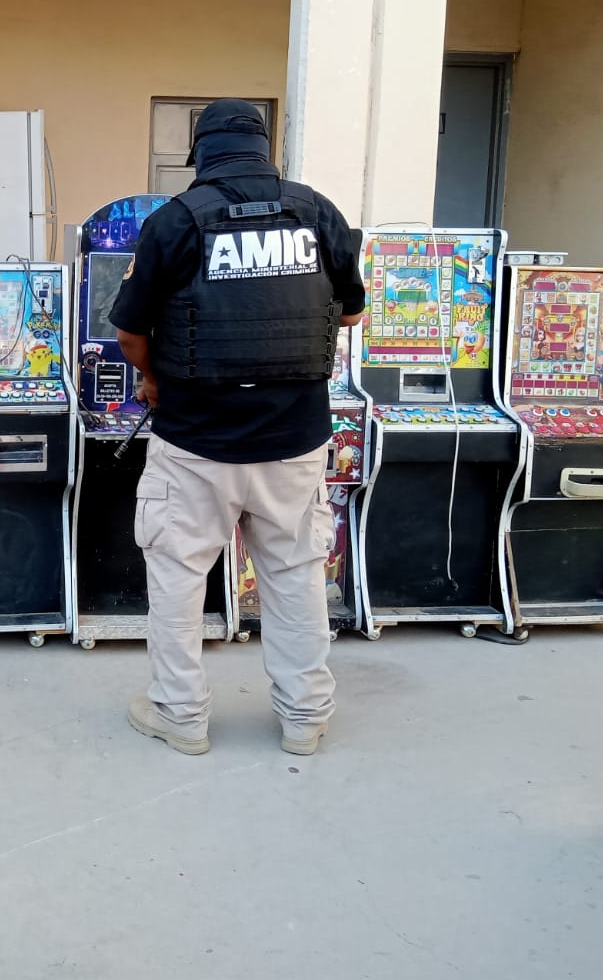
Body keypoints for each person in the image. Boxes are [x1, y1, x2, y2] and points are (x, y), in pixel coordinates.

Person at [109, 98, 366, 757]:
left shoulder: (175, 221)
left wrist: (152, 378)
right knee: (296, 577)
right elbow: (350, 315)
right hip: (293, 439)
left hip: (195, 439)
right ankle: (305, 719)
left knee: (177, 577)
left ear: (202, 154)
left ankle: (180, 716)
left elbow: (130, 333)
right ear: (263, 149)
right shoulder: (317, 212)